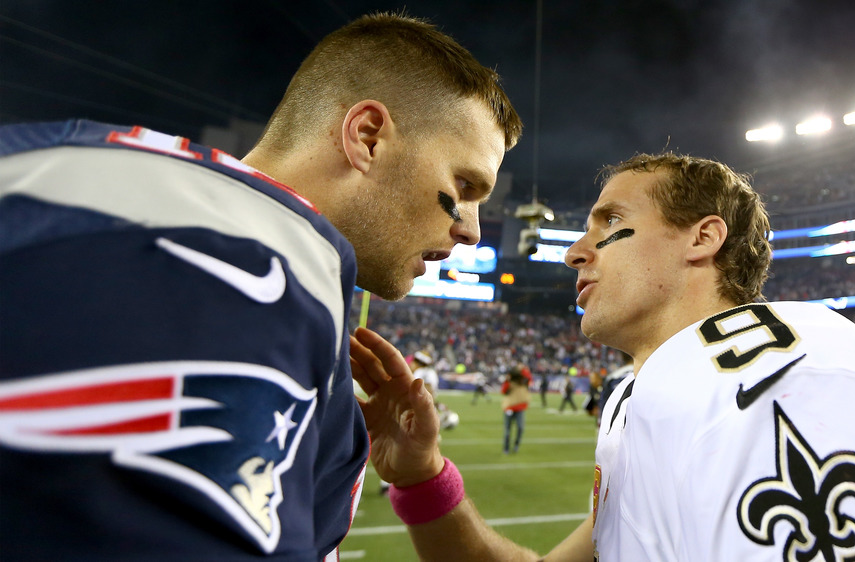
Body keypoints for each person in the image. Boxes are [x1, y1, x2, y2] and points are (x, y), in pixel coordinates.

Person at [0, 12, 521, 561]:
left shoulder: (80, 172)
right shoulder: (259, 271)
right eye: (464, 185)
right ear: (367, 136)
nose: (471, 229)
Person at [350, 151, 855, 560]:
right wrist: (424, 477)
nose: (574, 253)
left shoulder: (782, 377)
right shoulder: (646, 393)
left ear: (702, 238)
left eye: (609, 221)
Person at [501, 366, 531, 454]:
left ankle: (516, 445)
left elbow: (528, 377)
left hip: (520, 408)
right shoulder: (510, 382)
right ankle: (506, 448)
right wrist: (508, 380)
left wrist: (522, 368)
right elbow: (503, 391)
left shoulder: (524, 382)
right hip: (509, 408)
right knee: (507, 430)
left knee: (520, 428)